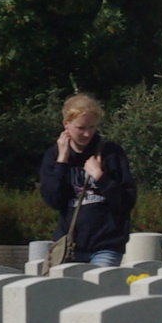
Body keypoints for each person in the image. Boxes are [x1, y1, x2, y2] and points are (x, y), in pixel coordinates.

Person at [39, 93, 136, 266]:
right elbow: (53, 200)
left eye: (92, 127)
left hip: (106, 244)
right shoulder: (53, 155)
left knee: (99, 291)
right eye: (81, 128)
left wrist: (100, 177)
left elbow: (126, 202)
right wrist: (62, 161)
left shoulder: (111, 153)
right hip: (70, 244)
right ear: (66, 124)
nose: (87, 134)